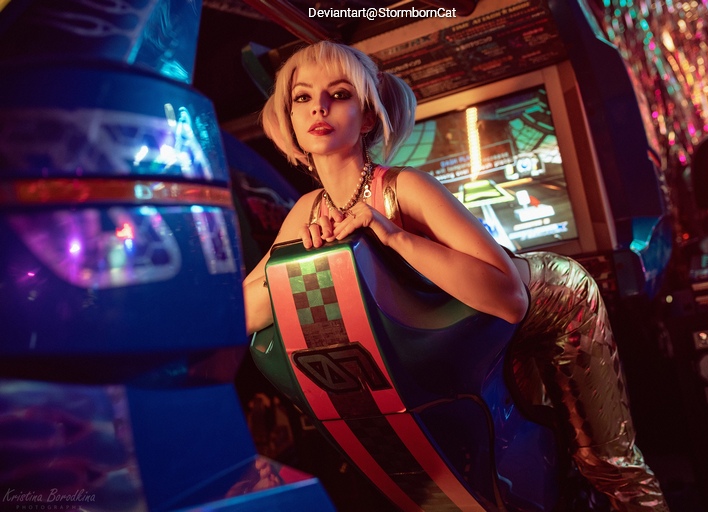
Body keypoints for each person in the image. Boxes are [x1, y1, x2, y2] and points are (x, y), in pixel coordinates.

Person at [243, 40, 669, 512]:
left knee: (605, 464)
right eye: (302, 97)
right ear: (290, 119)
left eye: (339, 93)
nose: (318, 107)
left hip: (553, 307)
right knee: (512, 472)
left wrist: (392, 235)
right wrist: (292, 259)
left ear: (367, 118)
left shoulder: (404, 188)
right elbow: (244, 314)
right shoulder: (307, 209)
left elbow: (509, 298)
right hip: (466, 329)